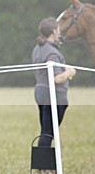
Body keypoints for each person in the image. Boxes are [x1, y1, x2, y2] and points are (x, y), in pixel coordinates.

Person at [32, 18, 76, 157]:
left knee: (45, 131)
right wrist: (70, 71)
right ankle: (44, 167)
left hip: (40, 91)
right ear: (53, 32)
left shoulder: (38, 48)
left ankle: (42, 165)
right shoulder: (52, 52)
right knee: (48, 132)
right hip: (53, 95)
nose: (59, 32)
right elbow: (57, 78)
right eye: (57, 29)